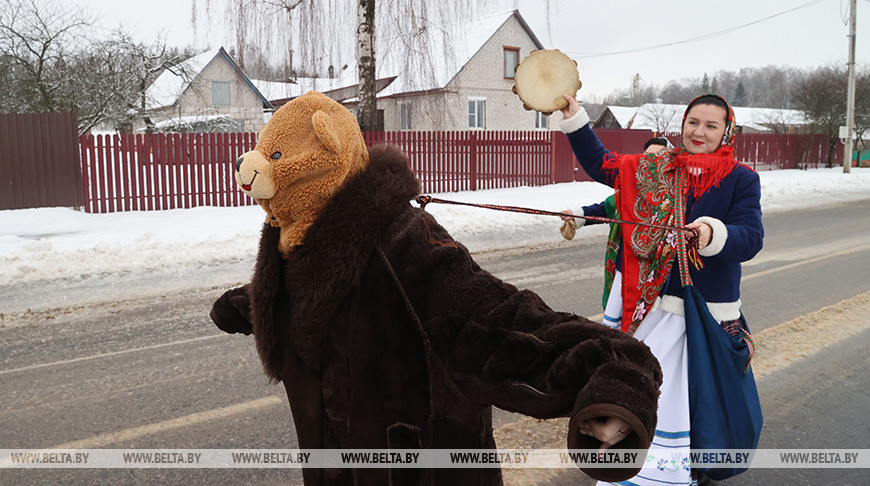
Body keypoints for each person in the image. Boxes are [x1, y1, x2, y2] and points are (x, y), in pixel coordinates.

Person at [558, 94, 764, 486]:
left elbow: (751, 238)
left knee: (698, 405)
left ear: (727, 132)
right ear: (682, 125)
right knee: (650, 398)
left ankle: (685, 471)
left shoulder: (741, 179)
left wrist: (709, 233)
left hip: (707, 318)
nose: (699, 132)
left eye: (710, 125)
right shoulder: (657, 168)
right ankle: (638, 475)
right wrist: (575, 120)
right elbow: (603, 165)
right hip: (656, 312)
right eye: (693, 123)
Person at [560, 137, 672, 324]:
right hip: (623, 269)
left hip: (655, 278)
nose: (651, 162)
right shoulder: (628, 192)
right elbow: (605, 208)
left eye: (657, 157)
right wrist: (577, 216)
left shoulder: (672, 198)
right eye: (647, 156)